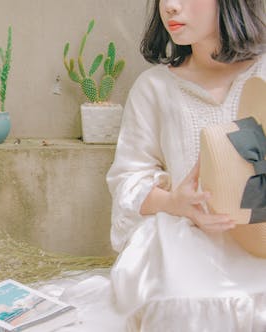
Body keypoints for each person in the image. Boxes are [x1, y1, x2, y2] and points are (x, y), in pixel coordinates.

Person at [44, 0, 266, 331]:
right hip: (186, 240)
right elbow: (127, 180)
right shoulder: (155, 87)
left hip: (259, 238)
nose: (172, 7)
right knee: (185, 305)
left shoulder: (263, 73)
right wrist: (178, 203)